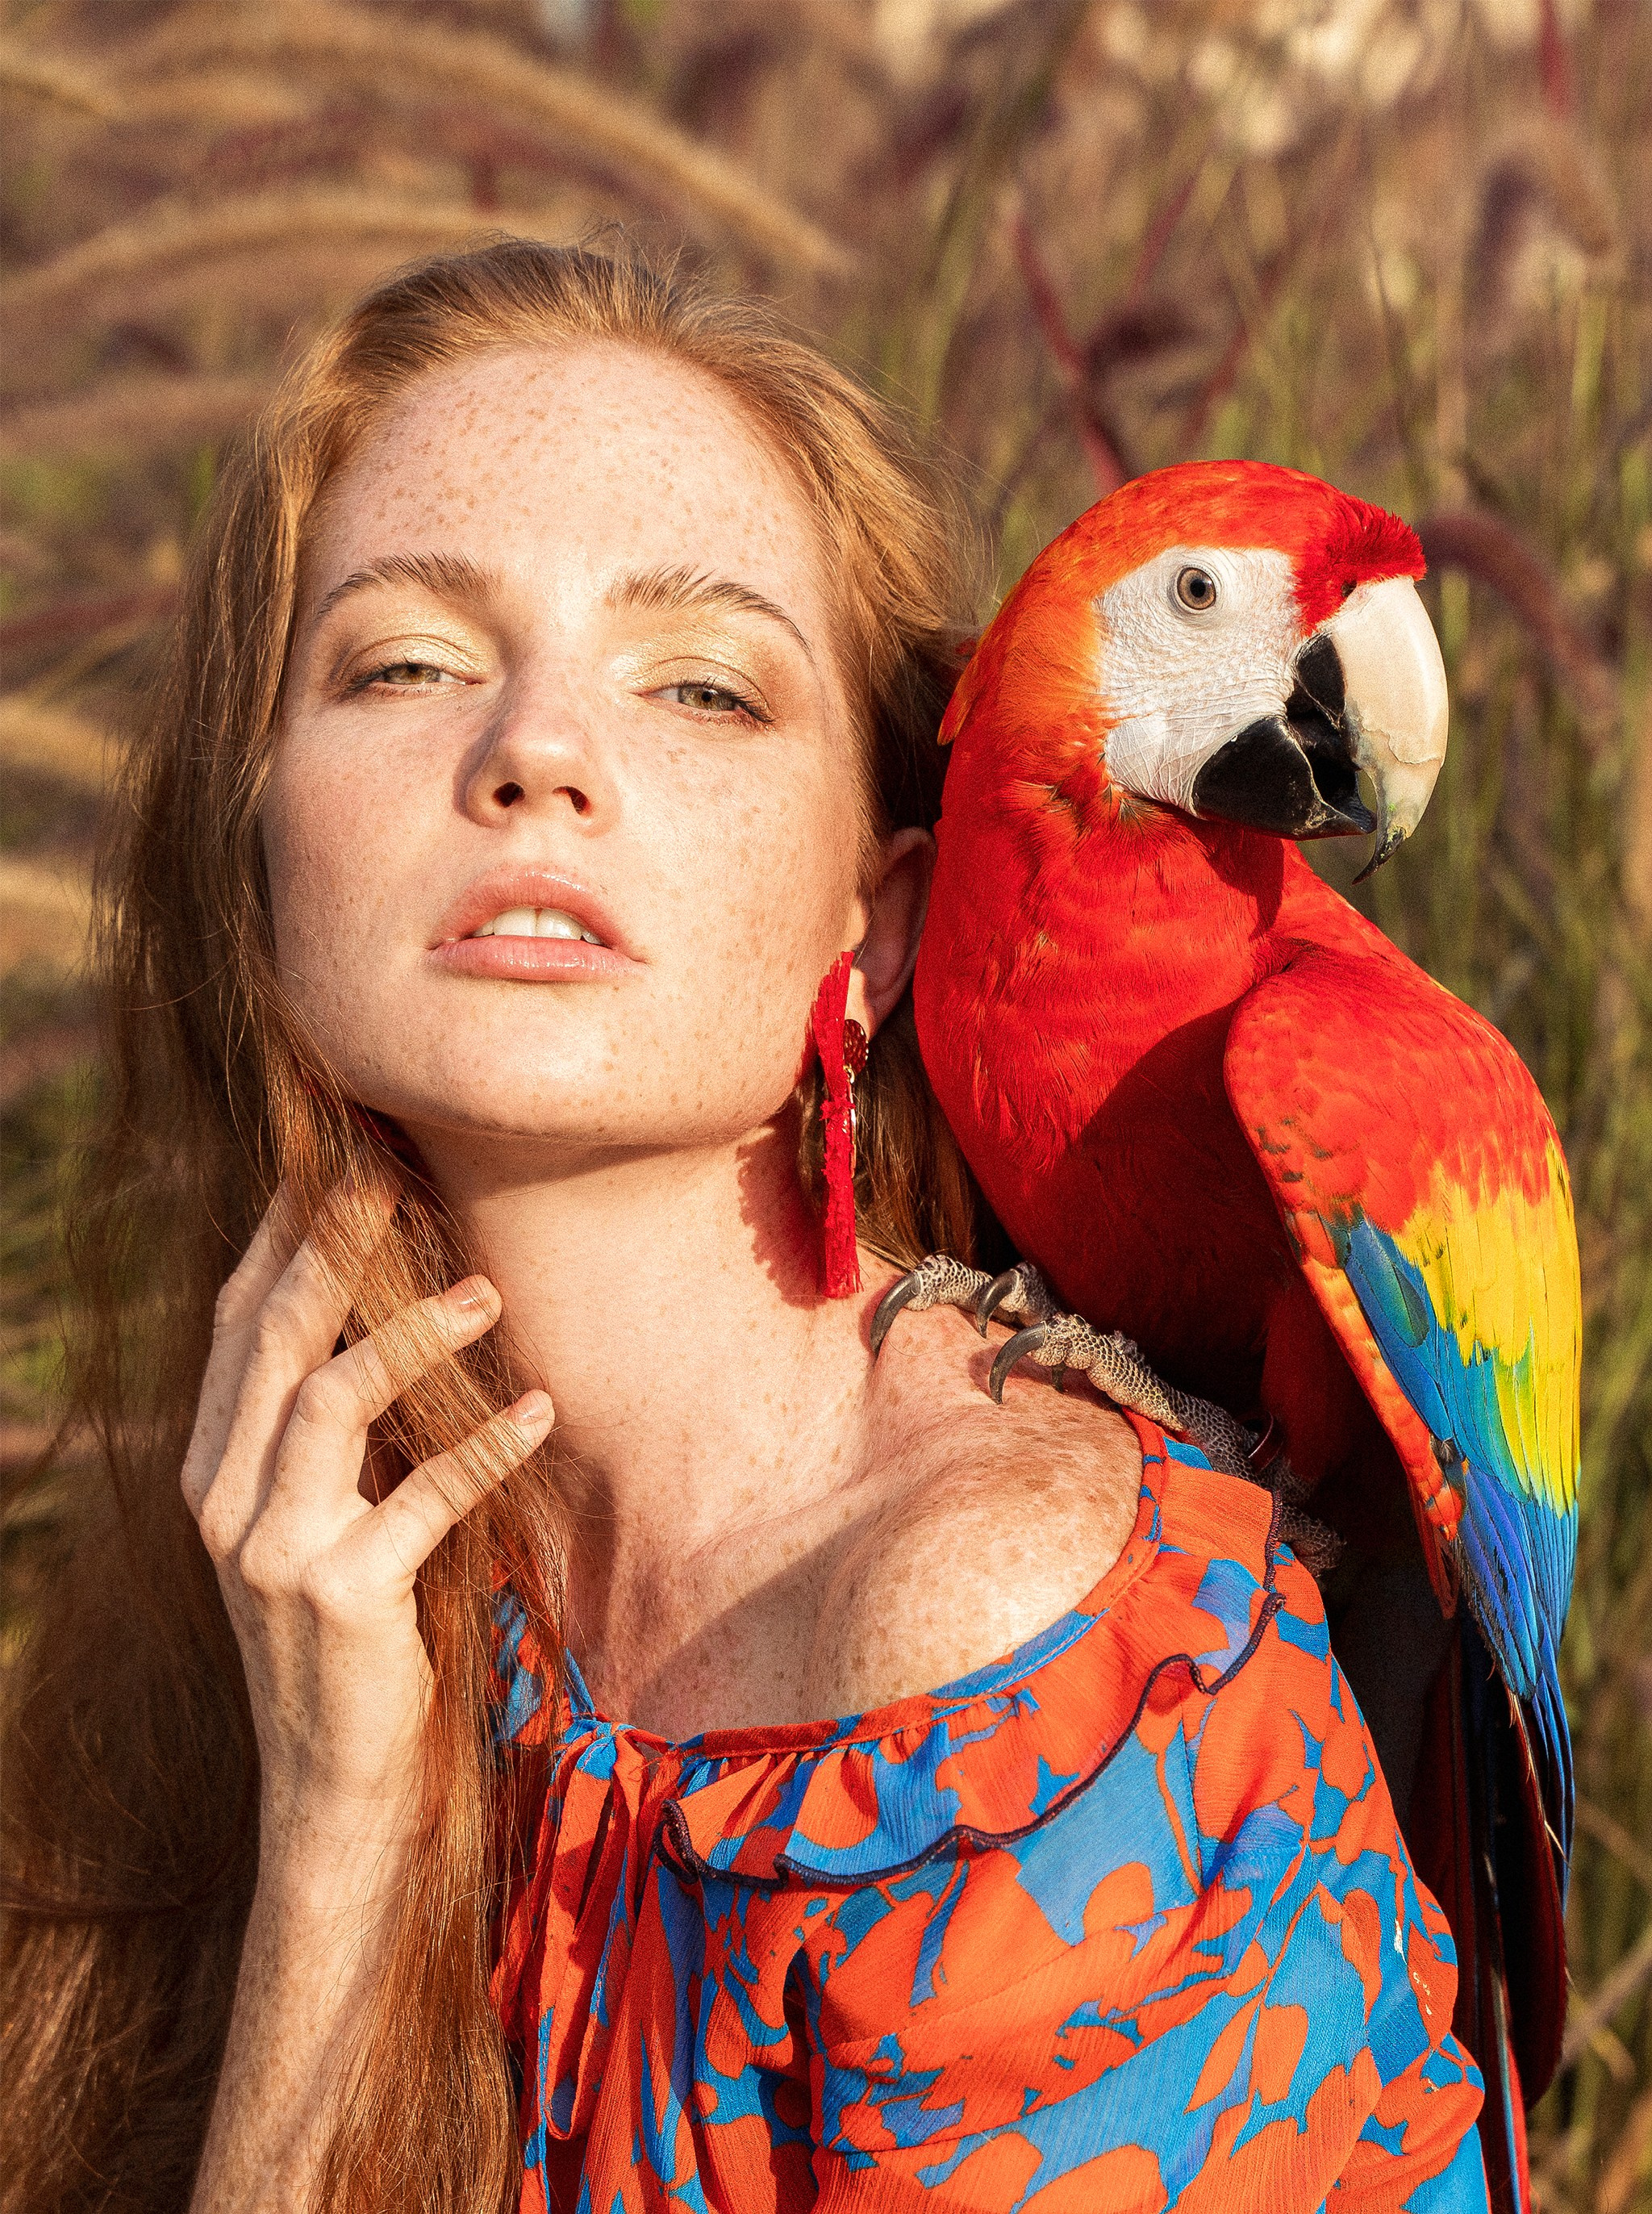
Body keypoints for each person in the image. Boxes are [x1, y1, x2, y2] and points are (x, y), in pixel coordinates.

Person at [0, 240, 1491, 2214]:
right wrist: (340, 1825)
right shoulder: (300, 1581)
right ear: (257, 846)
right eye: (406, 661)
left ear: (870, 915)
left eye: (701, 684)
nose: (534, 753)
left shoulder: (1007, 1651)